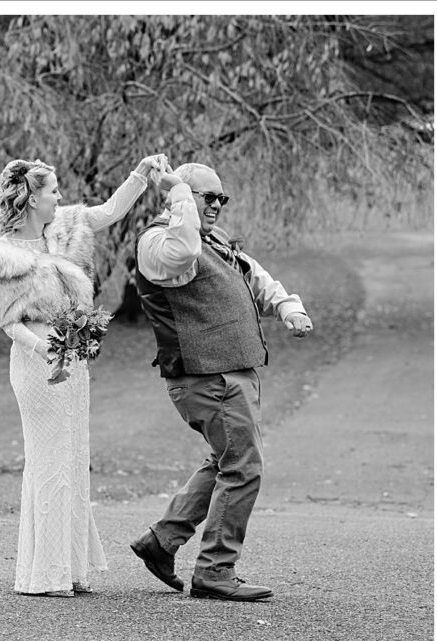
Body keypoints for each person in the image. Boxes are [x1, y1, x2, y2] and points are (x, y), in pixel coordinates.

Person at [0, 154, 169, 597]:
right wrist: (46, 351)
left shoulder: (64, 229)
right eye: (53, 190)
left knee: (73, 457)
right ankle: (45, 573)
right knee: (49, 459)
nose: (60, 197)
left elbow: (110, 212)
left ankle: (70, 568)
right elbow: (9, 323)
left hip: (72, 358)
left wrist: (140, 173)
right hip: (37, 361)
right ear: (31, 197)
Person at [129, 161, 313, 601]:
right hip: (206, 375)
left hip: (231, 373)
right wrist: (176, 196)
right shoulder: (160, 242)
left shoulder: (216, 240)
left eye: (221, 198)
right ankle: (214, 569)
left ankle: (162, 541)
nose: (216, 205)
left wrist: (288, 308)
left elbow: (253, 277)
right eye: (206, 196)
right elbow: (184, 253)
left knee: (225, 461)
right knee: (243, 467)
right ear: (180, 197)